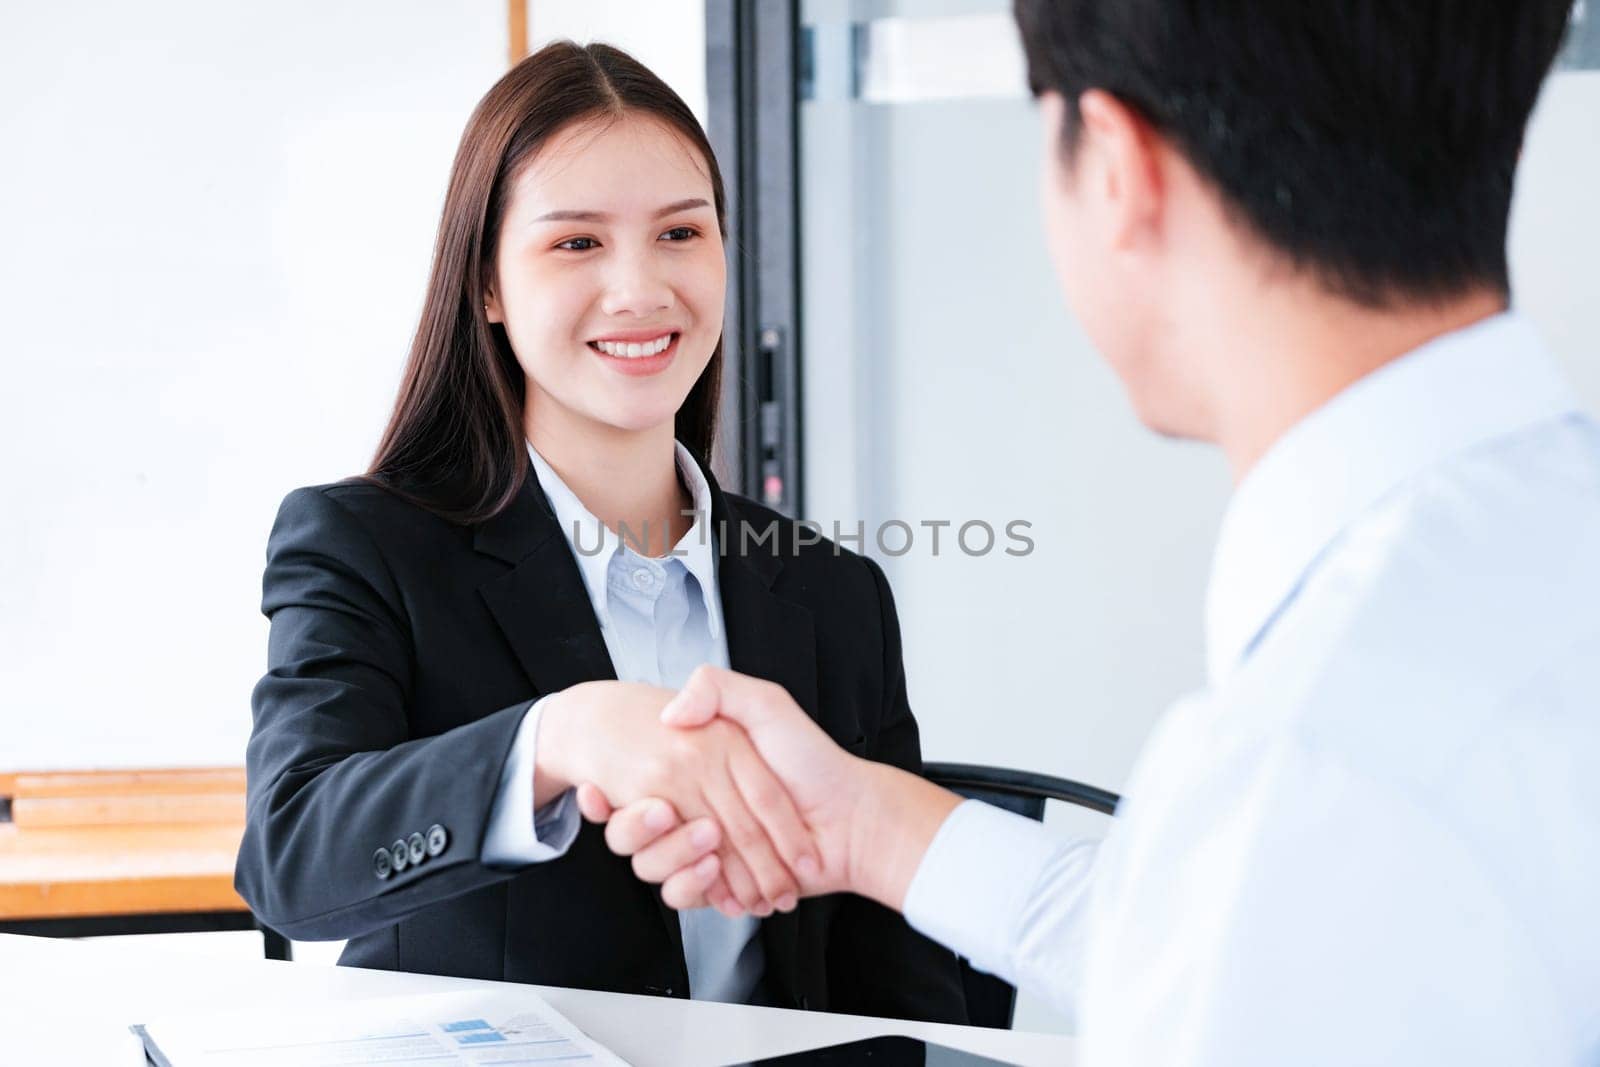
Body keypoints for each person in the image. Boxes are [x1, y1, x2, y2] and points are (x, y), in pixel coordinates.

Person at [581, 1, 1600, 1062]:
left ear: (1115, 165)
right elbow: (1231, 936)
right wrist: (872, 827)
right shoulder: (1527, 559)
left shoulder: (1310, 769)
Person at [234, 40, 965, 1022]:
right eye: (576, 242)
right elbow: (290, 858)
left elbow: (895, 974)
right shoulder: (367, 545)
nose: (640, 289)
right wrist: (557, 736)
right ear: (487, 285)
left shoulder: (833, 591)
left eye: (679, 233)